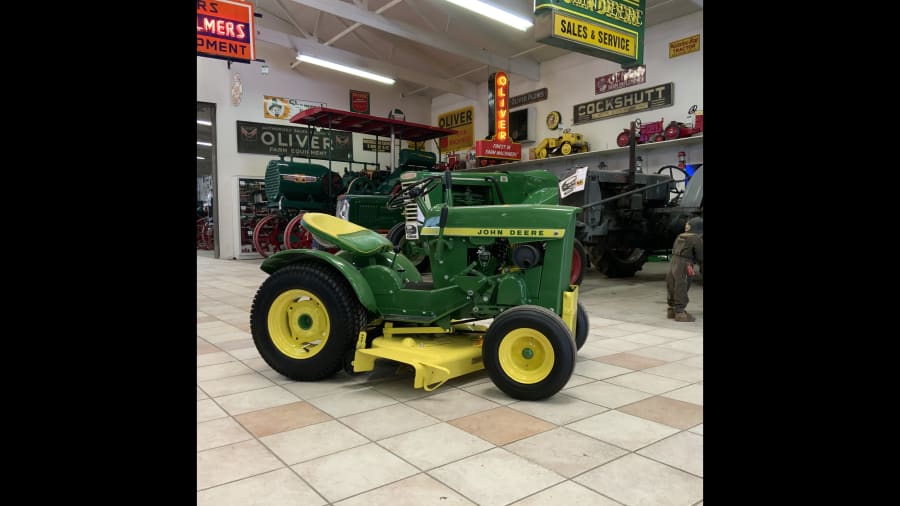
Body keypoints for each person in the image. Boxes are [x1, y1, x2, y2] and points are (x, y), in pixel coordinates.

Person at [666, 217, 703, 322]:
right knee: (682, 285)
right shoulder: (696, 238)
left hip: (674, 261)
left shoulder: (680, 236)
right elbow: (701, 256)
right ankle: (680, 313)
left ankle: (672, 310)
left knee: (673, 284)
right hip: (685, 264)